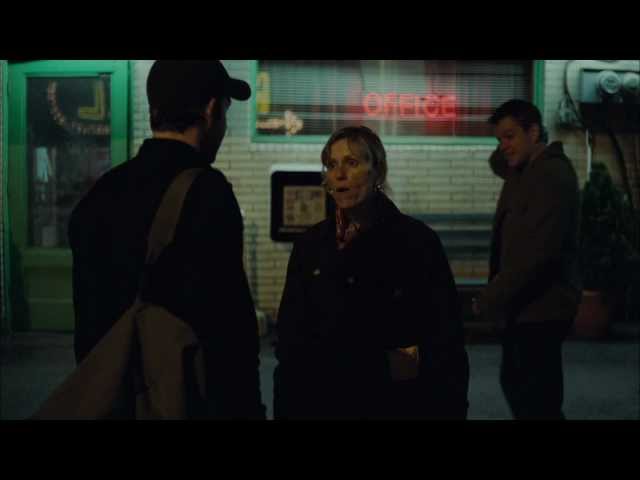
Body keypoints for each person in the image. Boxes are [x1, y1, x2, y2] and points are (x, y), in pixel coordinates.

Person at [68, 60, 265, 419]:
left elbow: (87, 321)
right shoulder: (207, 193)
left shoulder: (100, 194)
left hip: (112, 397)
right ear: (211, 110)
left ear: (154, 110)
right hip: (186, 400)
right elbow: (229, 326)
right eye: (225, 111)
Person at [273, 125, 469, 419]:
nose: (339, 174)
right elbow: (290, 342)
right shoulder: (310, 245)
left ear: (378, 172)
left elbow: (446, 340)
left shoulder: (416, 242)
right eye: (332, 165)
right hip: (324, 404)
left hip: (395, 404)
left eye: (352, 162)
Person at [473, 99, 581, 420]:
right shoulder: (524, 168)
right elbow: (498, 162)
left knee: (536, 399)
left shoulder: (551, 175)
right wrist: (511, 145)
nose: (503, 146)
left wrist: (489, 298)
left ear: (534, 133)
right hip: (524, 306)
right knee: (520, 388)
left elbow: (537, 254)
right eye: (499, 139)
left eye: (510, 136)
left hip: (542, 306)